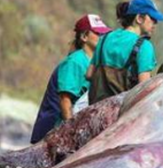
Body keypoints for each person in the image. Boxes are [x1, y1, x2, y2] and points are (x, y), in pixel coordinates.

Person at [30, 14, 112, 143]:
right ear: (84, 37)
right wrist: (72, 134)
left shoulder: (94, 62)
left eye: (104, 34)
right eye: (98, 33)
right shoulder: (74, 62)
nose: (102, 37)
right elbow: (65, 100)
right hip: (55, 131)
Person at [87, 0, 163, 104]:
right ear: (139, 18)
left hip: (96, 110)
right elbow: (145, 89)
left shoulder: (105, 38)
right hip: (121, 114)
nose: (155, 23)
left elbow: (89, 74)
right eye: (152, 18)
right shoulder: (144, 46)